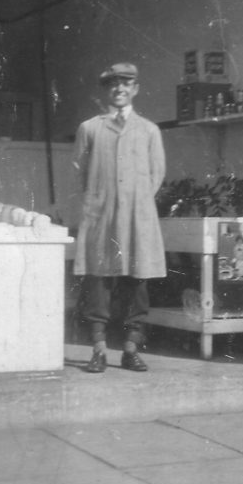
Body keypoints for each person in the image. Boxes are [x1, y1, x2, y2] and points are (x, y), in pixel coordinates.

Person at [73, 62, 166, 373]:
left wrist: (134, 204)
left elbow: (156, 176)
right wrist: (104, 202)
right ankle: (98, 349)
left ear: (135, 89)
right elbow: (82, 175)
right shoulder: (90, 128)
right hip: (102, 216)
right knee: (98, 282)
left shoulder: (149, 130)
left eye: (126, 83)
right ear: (106, 90)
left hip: (137, 218)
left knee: (136, 282)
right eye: (113, 83)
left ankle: (130, 349)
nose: (120, 88)